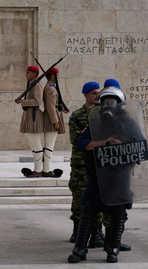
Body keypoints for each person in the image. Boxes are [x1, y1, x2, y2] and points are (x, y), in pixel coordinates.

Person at [68, 85, 136, 263]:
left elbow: (139, 146)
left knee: (118, 212)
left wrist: (123, 145)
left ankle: (113, 248)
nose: (109, 105)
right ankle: (80, 249)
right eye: (106, 102)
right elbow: (83, 144)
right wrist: (104, 143)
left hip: (120, 177)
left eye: (112, 102)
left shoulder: (128, 123)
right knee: (89, 210)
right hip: (98, 176)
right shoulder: (95, 123)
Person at [67, 81, 101, 243]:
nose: (97, 96)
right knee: (79, 196)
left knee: (99, 197)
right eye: (94, 93)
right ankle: (77, 230)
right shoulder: (77, 115)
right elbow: (76, 139)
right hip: (80, 164)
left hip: (98, 162)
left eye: (98, 93)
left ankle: (97, 232)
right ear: (85, 94)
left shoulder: (103, 113)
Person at [16, 65, 45, 177]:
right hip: (29, 115)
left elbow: (37, 102)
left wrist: (23, 101)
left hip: (34, 116)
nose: (26, 74)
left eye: (28, 72)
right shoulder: (31, 85)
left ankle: (38, 171)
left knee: (36, 144)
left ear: (34, 74)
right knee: (33, 145)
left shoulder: (37, 86)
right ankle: (36, 169)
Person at [41, 67, 67, 177]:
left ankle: (45, 167)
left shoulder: (50, 87)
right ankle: (46, 170)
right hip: (51, 118)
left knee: (49, 144)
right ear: (52, 76)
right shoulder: (51, 88)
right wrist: (55, 121)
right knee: (49, 145)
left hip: (53, 116)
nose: (59, 77)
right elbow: (51, 107)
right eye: (58, 75)